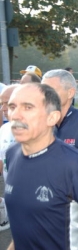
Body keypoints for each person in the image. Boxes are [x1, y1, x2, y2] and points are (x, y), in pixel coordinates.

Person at [5, 83, 78, 249]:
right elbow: (24, 225)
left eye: (28, 107)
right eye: (12, 106)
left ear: (52, 117)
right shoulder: (12, 154)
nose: (15, 115)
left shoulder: (73, 163)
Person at [0, 85, 18, 232]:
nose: (3, 109)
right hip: (12, 200)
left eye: (8, 103)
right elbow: (1, 161)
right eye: (1, 104)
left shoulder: (44, 130)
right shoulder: (4, 130)